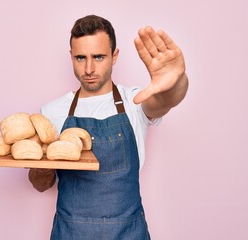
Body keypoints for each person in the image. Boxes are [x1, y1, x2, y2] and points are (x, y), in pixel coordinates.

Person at [28, 14, 188, 240]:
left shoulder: (135, 101)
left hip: (127, 233)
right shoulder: (52, 111)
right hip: (70, 233)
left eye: (99, 57)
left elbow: (165, 100)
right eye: (81, 58)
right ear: (71, 57)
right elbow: (40, 184)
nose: (89, 68)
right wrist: (42, 164)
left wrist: (176, 81)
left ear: (114, 56)